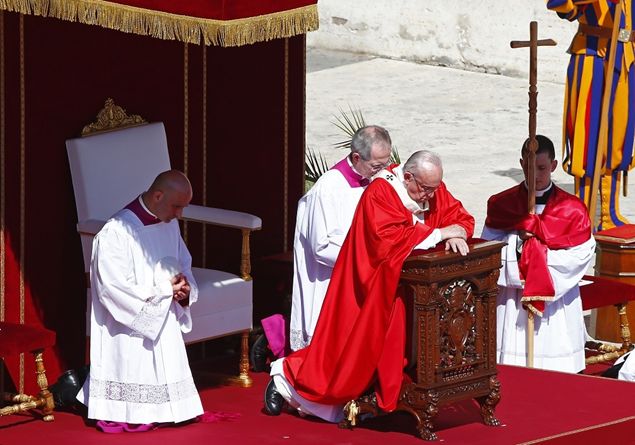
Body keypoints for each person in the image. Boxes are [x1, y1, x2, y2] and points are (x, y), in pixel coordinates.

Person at [263, 150, 475, 422]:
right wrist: (438, 233)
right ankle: (287, 379)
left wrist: (456, 231)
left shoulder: (430, 186)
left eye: (435, 189)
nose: (430, 197)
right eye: (425, 189)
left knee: (393, 353)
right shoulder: (381, 192)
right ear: (408, 177)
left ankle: (380, 398)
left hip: (410, 290)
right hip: (370, 287)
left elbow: (458, 216)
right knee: (348, 356)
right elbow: (386, 241)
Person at [252, 125, 393, 371]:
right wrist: (362, 259)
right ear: (357, 157)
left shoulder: (375, 180)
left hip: (361, 274)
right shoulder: (328, 189)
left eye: (385, 163)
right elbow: (320, 246)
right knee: (325, 346)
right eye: (376, 166)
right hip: (331, 276)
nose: (382, 171)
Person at [76, 169, 204, 432]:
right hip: (129, 326)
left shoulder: (169, 224)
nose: (180, 214)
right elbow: (111, 289)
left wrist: (184, 289)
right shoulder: (115, 232)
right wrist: (163, 291)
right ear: (158, 195)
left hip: (164, 317)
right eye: (177, 206)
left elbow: (184, 262)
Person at [481, 135, 595, 373]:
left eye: (542, 168)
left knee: (555, 370)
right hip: (514, 300)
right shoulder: (502, 204)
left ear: (553, 166)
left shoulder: (572, 209)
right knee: (513, 366)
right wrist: (519, 245)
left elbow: (581, 255)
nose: (535, 175)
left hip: (555, 302)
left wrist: (538, 259)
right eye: (529, 167)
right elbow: (487, 250)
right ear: (521, 163)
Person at [547, 0, 635, 230]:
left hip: (627, 59)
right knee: (587, 138)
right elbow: (562, 6)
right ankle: (582, 213)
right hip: (592, 58)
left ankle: (610, 213)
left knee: (619, 137)